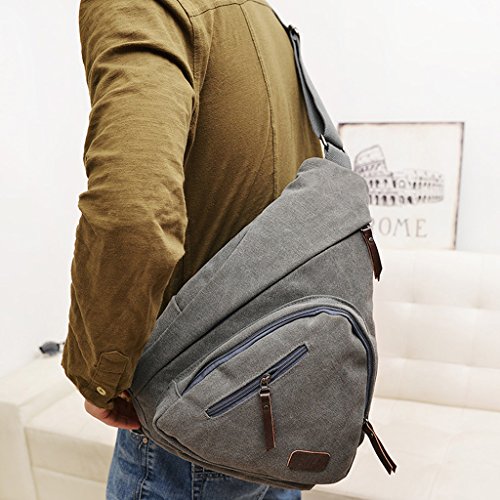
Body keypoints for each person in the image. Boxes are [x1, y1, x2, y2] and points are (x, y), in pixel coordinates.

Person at [61, 0, 323, 498]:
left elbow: (132, 211)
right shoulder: (262, 16)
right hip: (283, 389)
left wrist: (98, 375)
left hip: (193, 403)